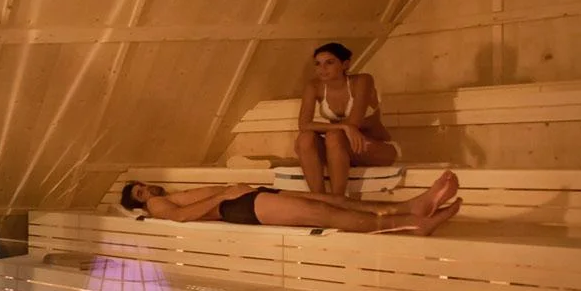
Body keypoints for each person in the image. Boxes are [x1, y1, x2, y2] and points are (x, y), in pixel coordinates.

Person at [119, 170, 460, 235]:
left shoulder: (166, 194)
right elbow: (180, 217)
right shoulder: (156, 208)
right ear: (139, 205)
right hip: (238, 207)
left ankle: (412, 206)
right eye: (139, 194)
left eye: (143, 186)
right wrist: (223, 195)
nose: (146, 190)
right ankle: (412, 224)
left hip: (250, 196)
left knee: (334, 200)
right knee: (324, 213)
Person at [296, 42, 396, 197]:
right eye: (318, 64)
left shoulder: (363, 81)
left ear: (345, 64)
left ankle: (338, 199)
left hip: (375, 148)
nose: (322, 68)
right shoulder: (314, 86)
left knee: (334, 137)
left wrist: (346, 127)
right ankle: (319, 199)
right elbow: (303, 125)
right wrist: (344, 127)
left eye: (329, 62)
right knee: (305, 139)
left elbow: (354, 123)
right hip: (338, 150)